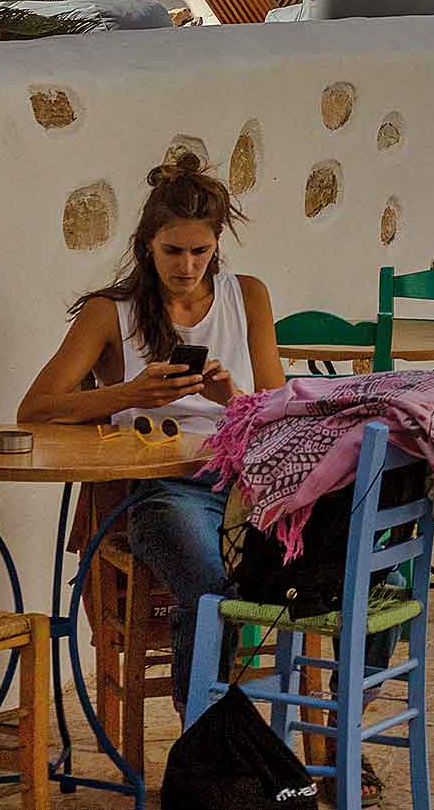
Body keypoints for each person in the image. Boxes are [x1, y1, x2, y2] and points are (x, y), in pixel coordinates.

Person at [18, 152, 283, 717]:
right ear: (146, 246)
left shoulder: (247, 296)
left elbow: (278, 412)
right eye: (173, 251)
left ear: (217, 245)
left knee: (355, 564)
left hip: (245, 482)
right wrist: (130, 393)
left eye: (200, 251)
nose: (187, 266)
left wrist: (231, 399)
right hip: (162, 488)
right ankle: (206, 734)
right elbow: (35, 410)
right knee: (210, 587)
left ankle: (336, 713)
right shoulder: (109, 312)